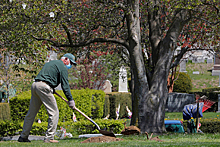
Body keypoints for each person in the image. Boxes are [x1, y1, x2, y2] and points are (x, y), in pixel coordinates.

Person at [18, 53, 77, 143]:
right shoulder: (63, 67)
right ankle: (49, 137)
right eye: (71, 63)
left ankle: (23, 136)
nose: (71, 65)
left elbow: (47, 76)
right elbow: (65, 86)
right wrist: (70, 100)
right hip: (44, 87)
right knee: (54, 112)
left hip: (35, 85)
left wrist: (52, 88)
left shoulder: (51, 63)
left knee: (31, 113)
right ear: (65, 59)